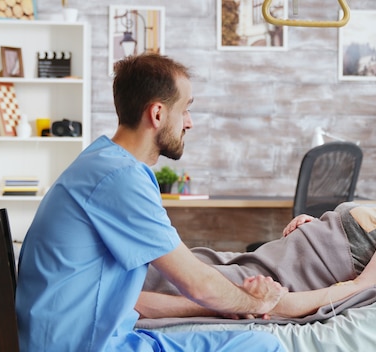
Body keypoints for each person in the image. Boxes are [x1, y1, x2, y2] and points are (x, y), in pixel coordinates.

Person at [15, 53, 288, 352]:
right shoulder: (120, 177)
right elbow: (198, 283)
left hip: (89, 338)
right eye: (184, 110)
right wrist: (258, 300)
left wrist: (220, 306)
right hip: (85, 347)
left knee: (255, 341)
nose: (189, 123)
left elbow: (132, 301)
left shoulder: (102, 161)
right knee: (262, 347)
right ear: (157, 114)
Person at [138, 136, 376, 319]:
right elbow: (357, 239)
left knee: (167, 283)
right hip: (264, 259)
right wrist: (315, 225)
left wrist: (284, 304)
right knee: (168, 265)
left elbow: (365, 284)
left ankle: (91, 312)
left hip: (278, 279)